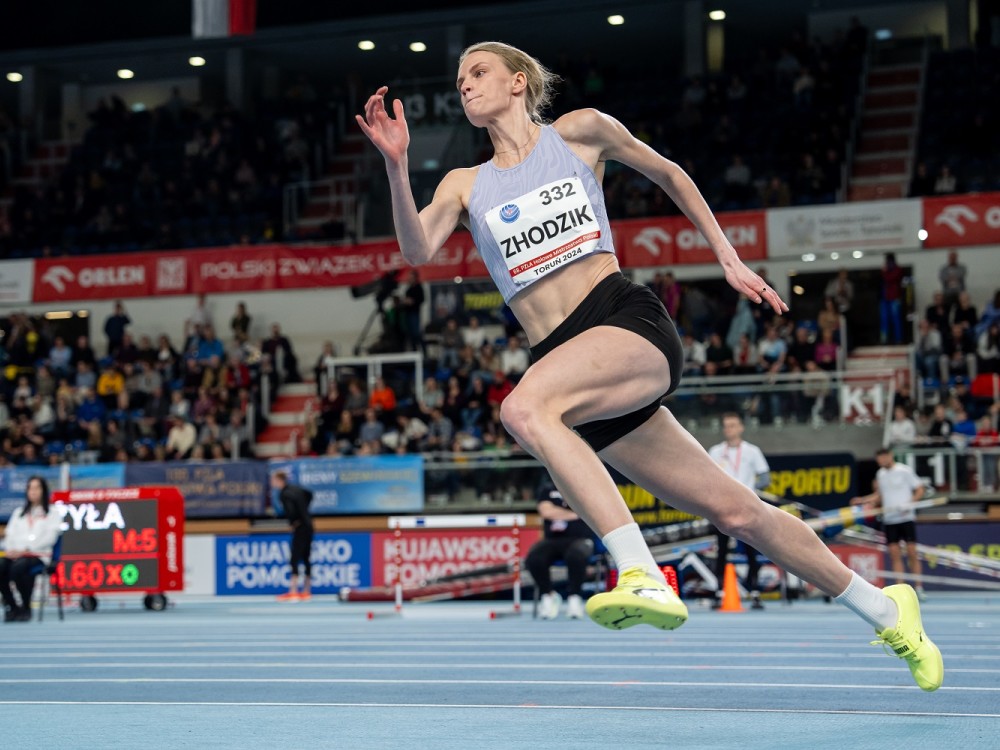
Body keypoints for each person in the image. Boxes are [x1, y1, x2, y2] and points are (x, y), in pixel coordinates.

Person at [357, 41, 942, 691]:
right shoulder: (464, 185)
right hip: (567, 361)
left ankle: (639, 571)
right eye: (459, 78)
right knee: (740, 515)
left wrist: (726, 255)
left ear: (518, 82)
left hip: (623, 322)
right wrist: (398, 165)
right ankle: (887, 608)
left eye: (478, 72)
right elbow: (416, 249)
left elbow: (670, 174)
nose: (464, 85)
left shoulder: (579, 133)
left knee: (523, 408)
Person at [707, 413, 770, 610]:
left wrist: (753, 490)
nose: (729, 429)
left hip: (746, 506)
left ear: (741, 427)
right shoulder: (716, 451)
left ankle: (755, 592)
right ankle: (719, 592)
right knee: (722, 550)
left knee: (752, 549)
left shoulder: (752, 451)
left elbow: (765, 477)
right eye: (726, 426)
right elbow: (707, 476)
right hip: (722, 507)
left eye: (733, 425)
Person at [852, 449, 926, 598]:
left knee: (912, 553)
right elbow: (879, 496)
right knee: (895, 555)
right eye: (879, 459)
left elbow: (920, 490)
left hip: (906, 518)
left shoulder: (904, 471)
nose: (882, 461)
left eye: (884, 457)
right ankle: (902, 591)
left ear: (890, 456)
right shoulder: (880, 474)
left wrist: (910, 504)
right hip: (890, 519)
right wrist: (863, 500)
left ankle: (918, 588)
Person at [525, 478, 595, 620]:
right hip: (553, 540)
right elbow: (546, 511)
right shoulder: (547, 489)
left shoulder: (582, 487)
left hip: (579, 539)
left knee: (575, 556)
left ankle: (575, 597)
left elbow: (586, 510)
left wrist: (557, 511)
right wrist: (573, 514)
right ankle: (549, 595)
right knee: (534, 557)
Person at [0, 476, 62, 622]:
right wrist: (13, 549)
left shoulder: (52, 513)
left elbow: (50, 538)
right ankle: (12, 606)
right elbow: (9, 536)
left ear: (43, 491)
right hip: (15, 554)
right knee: (1, 565)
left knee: (18, 568)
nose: (33, 492)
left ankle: (26, 606)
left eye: (36, 488)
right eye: (30, 488)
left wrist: (26, 549)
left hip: (39, 555)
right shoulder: (18, 513)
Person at [271, 471, 315, 602]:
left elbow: (290, 510)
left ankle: (293, 590)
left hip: (299, 527)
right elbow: (310, 494)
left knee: (294, 558)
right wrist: (304, 511)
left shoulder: (284, 494)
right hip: (309, 524)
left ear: (280, 480)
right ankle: (307, 590)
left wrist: (293, 521)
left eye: (274, 481)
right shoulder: (297, 489)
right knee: (306, 557)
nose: (272, 483)